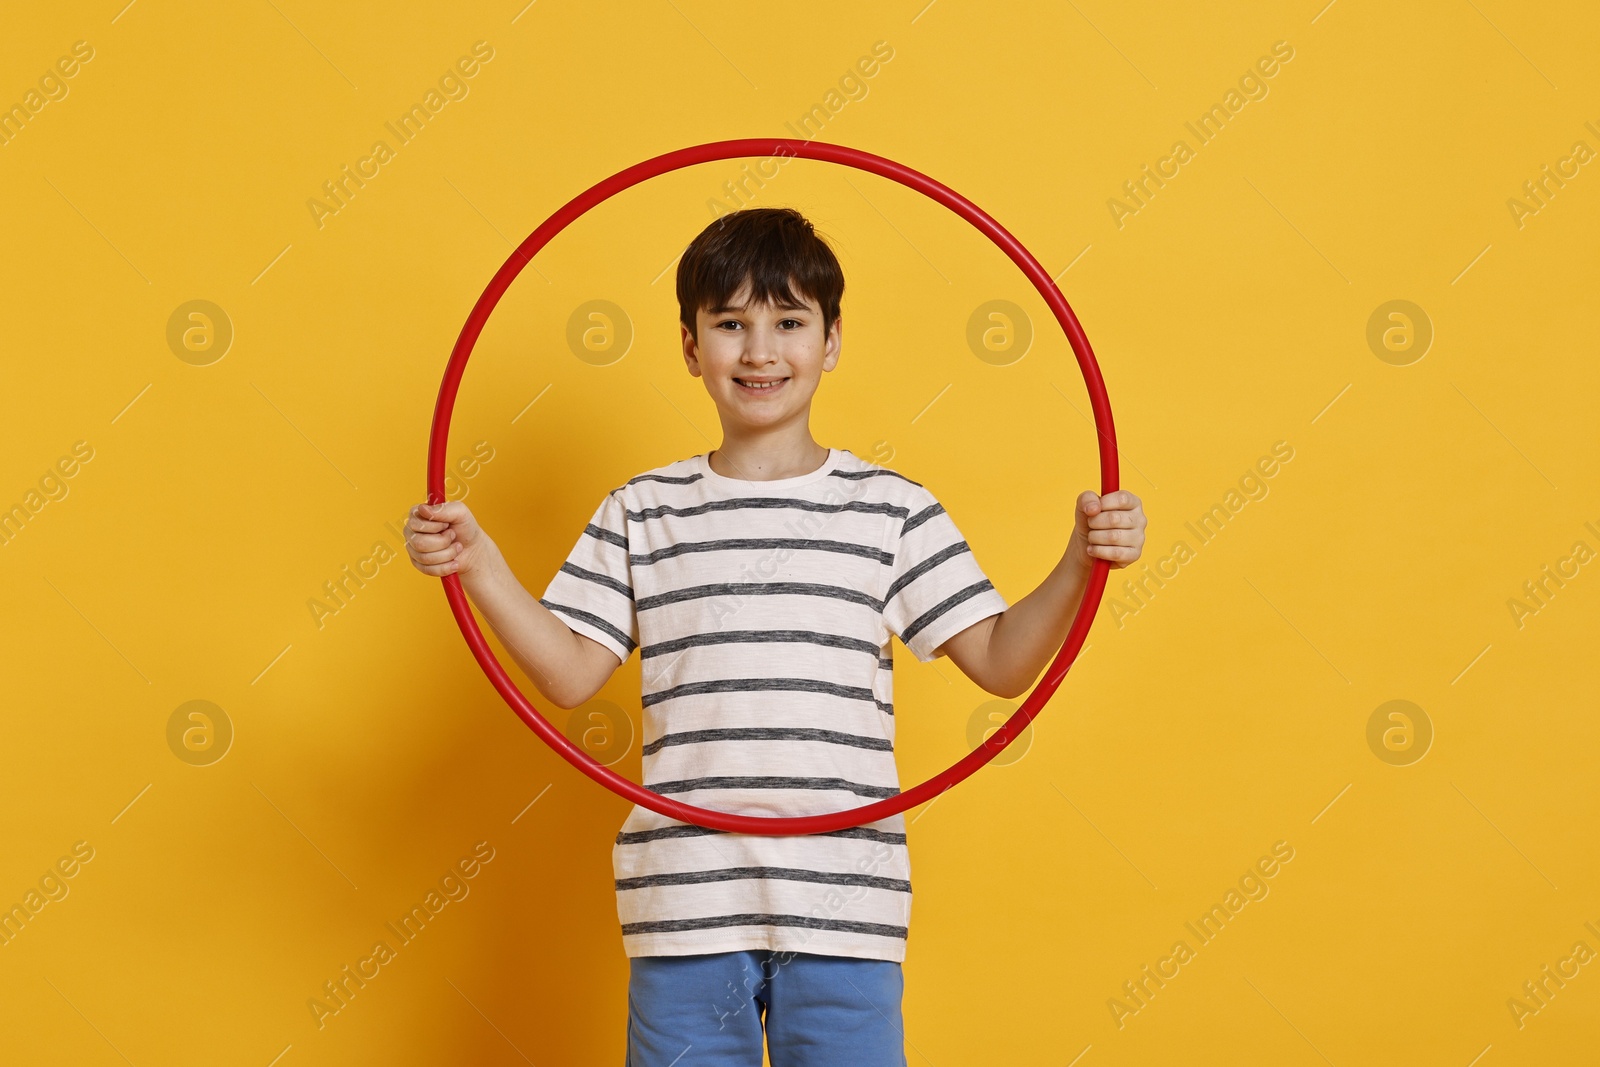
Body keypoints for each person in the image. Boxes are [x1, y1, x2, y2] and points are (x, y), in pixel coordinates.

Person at [404, 206, 1147, 1065]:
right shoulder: (642, 512)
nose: (760, 352)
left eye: (789, 322)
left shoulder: (892, 510)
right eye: (730, 325)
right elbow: (572, 674)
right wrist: (482, 564)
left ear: (831, 341)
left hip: (845, 905)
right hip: (684, 903)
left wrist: (1080, 560)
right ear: (690, 346)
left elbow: (1003, 660)